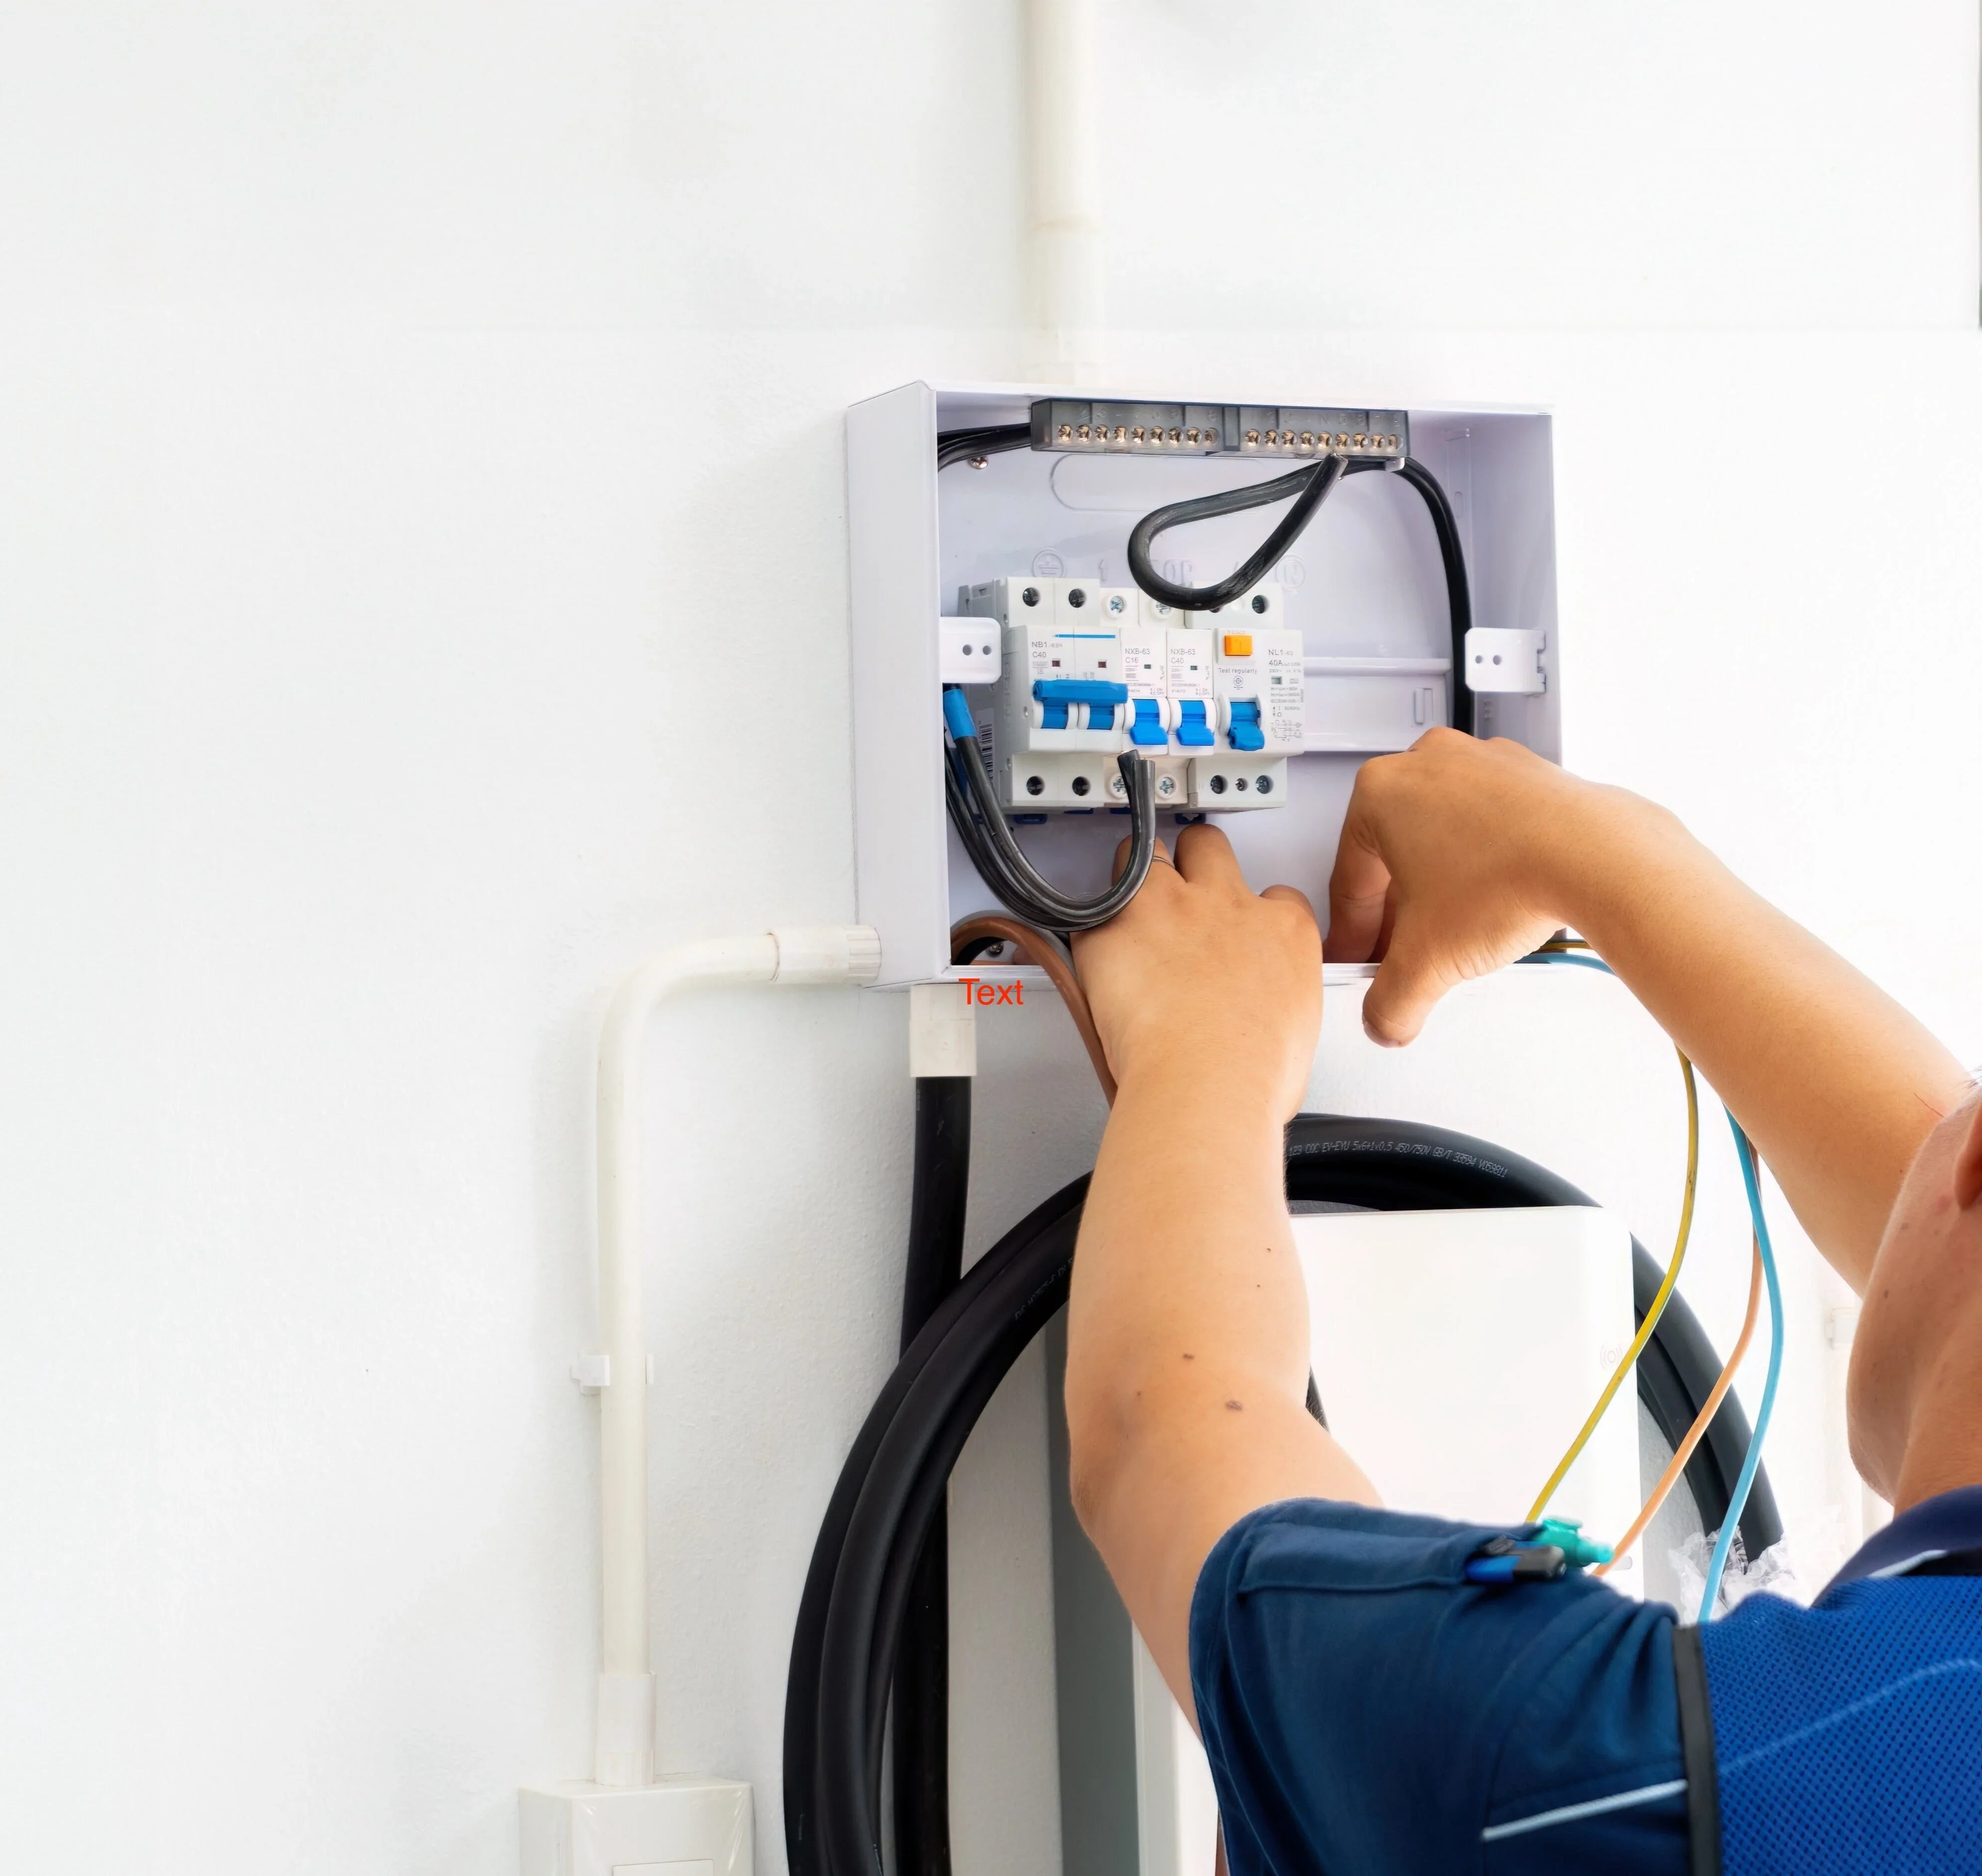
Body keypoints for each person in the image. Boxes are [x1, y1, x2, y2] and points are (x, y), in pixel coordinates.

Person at [1061, 728, 1982, 1876]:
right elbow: (1930, 1218)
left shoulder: (1602, 1769)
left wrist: (1204, 1046)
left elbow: (1158, 1420)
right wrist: (1589, 852)